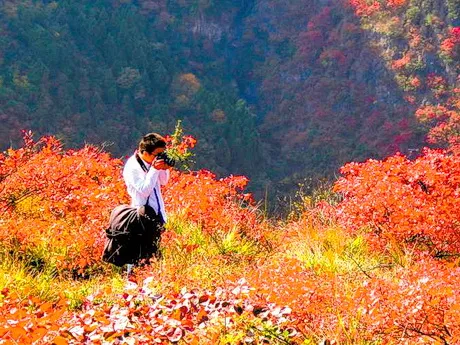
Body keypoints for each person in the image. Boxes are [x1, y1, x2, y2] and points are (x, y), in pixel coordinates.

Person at [121, 133, 171, 271]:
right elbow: (144, 190)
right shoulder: (133, 167)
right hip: (141, 216)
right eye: (157, 154)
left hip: (157, 214)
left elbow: (163, 181)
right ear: (144, 152)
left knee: (154, 254)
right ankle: (132, 281)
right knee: (139, 252)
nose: (158, 157)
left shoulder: (151, 163)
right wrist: (154, 169)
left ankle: (150, 281)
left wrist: (164, 168)